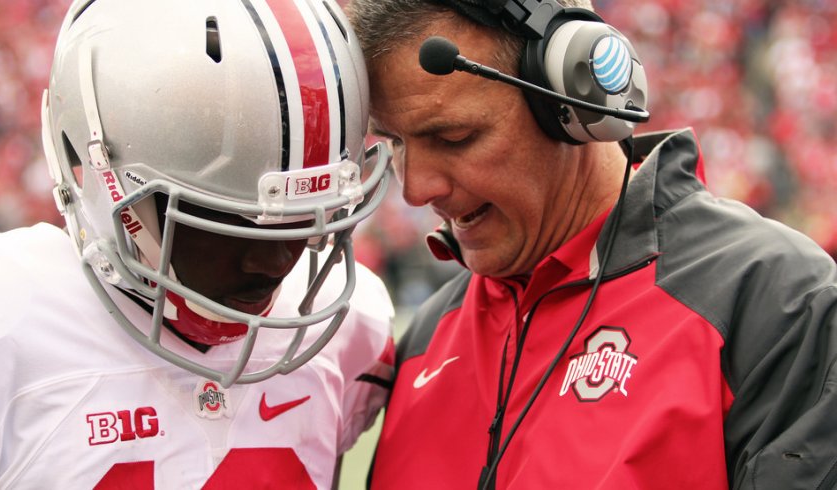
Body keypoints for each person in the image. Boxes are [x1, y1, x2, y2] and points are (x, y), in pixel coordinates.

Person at [346, 0, 837, 488]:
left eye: (456, 138)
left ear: (573, 98)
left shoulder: (775, 300)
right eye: (395, 143)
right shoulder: (427, 337)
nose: (414, 189)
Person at [0, 0, 394, 487]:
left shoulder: (351, 330)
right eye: (220, 217)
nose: (275, 260)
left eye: (305, 220)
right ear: (98, 168)